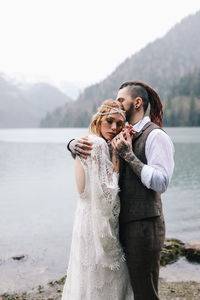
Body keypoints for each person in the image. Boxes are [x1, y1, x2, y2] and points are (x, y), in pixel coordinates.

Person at [67, 80, 174, 300]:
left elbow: (161, 182)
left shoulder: (156, 136)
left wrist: (129, 155)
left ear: (137, 103)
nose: (116, 103)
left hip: (143, 226)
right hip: (116, 228)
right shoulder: (116, 133)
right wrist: (71, 144)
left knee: (145, 292)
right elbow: (94, 161)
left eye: (121, 100)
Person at [62, 99, 134, 300]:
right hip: (96, 223)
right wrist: (118, 158)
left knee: (85, 276)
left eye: (119, 124)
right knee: (110, 279)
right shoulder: (100, 145)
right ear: (99, 119)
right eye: (109, 121)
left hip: (83, 219)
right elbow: (109, 193)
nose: (114, 127)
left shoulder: (86, 140)